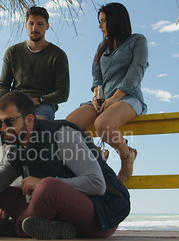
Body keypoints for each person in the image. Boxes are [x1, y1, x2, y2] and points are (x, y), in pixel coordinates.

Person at [0, 91, 130, 240]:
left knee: (47, 185)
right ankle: (57, 229)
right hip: (65, 217)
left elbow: (97, 184)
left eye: (9, 122)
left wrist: (41, 184)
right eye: (0, 123)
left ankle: (15, 228)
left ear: (30, 119)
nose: (3, 129)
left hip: (102, 216)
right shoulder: (17, 149)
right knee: (5, 195)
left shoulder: (61, 135)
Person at [66, 2, 149, 182]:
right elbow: (97, 77)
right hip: (104, 100)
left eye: (103, 21)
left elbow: (136, 72)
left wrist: (116, 97)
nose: (100, 25)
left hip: (129, 97)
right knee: (68, 126)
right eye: (100, 21)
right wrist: (97, 98)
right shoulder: (101, 48)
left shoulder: (138, 41)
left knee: (102, 125)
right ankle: (95, 154)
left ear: (115, 20)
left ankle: (127, 155)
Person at [0, 6, 70, 120]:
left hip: (43, 104)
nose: (34, 28)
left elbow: (63, 93)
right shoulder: (12, 52)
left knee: (35, 126)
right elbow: (3, 86)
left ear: (47, 26)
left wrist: (39, 100)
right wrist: (11, 101)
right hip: (15, 102)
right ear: (26, 25)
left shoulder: (58, 55)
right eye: (31, 23)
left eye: (40, 24)